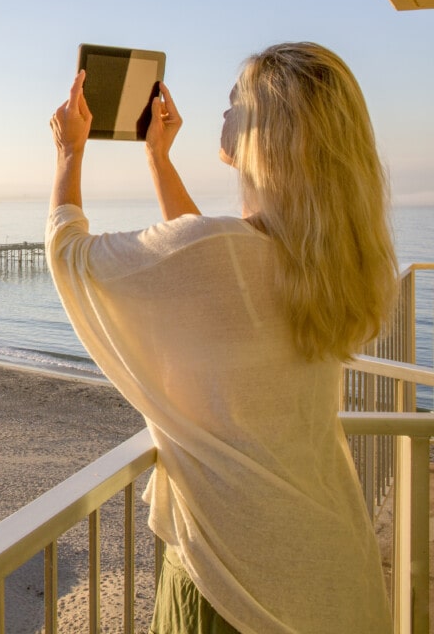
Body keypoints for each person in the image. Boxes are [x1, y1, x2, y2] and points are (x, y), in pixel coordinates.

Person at [45, 42, 395, 633]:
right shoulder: (329, 261)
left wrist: (68, 151)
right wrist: (158, 159)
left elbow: (70, 254)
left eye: (236, 102)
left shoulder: (223, 253)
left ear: (269, 131)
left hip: (233, 579)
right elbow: (215, 271)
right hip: (332, 563)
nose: (223, 113)